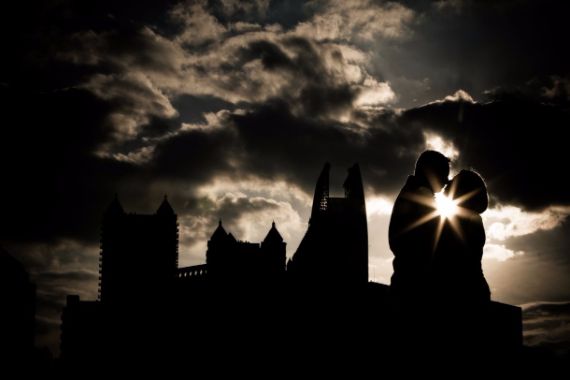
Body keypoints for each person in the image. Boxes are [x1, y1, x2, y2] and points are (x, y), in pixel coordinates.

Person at [389, 150, 450, 304]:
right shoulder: (422, 196)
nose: (446, 181)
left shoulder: (408, 192)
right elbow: (436, 239)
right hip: (417, 283)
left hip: (405, 278)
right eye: (444, 174)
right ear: (431, 173)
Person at [431, 169, 491, 305]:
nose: (449, 181)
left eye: (454, 181)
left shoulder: (469, 220)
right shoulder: (456, 218)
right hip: (465, 291)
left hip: (464, 293)